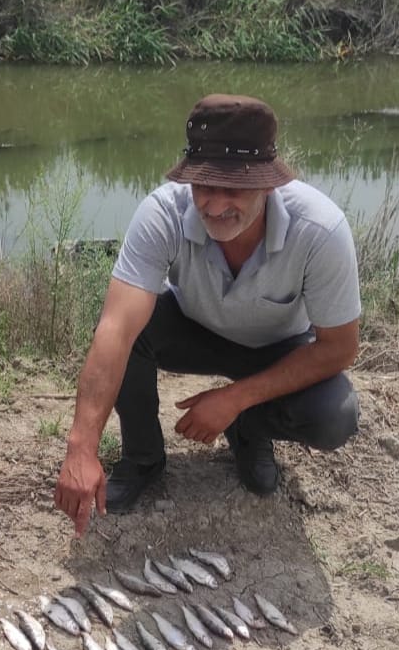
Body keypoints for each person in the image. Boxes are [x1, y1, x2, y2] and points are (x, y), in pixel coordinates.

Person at [54, 93, 361, 538]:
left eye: (233, 188)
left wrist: (234, 399)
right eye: (203, 186)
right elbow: (115, 329)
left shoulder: (320, 230)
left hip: (276, 348)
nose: (215, 205)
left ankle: (248, 429)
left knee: (335, 414)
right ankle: (143, 457)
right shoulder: (163, 212)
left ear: (267, 184)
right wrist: (81, 448)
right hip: (192, 327)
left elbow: (340, 348)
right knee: (127, 334)